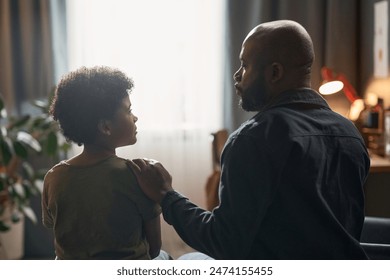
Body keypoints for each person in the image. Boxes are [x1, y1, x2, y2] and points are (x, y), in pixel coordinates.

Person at [128, 20, 370, 259]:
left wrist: (166, 195)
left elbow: (222, 243)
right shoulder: (350, 133)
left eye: (244, 65)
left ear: (275, 72)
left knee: (182, 260)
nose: (237, 75)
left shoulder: (253, 139)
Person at [41, 66, 163, 260]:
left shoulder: (54, 177)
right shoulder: (137, 174)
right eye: (129, 110)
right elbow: (154, 248)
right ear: (106, 127)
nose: (135, 117)